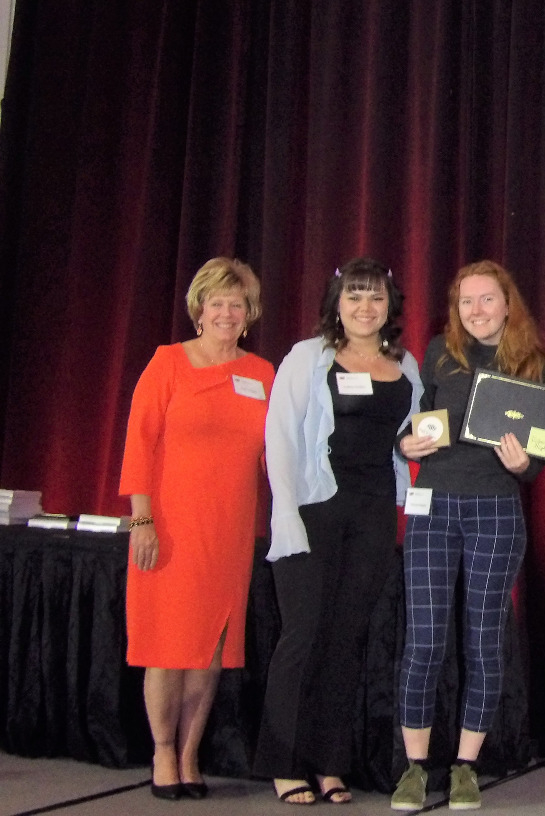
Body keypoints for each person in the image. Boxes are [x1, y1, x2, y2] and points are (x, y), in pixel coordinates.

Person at [255, 258, 422, 805]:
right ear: (337, 303)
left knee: (345, 640)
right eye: (354, 297)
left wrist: (411, 447)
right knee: (302, 636)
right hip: (313, 511)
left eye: (375, 298)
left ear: (389, 306)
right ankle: (284, 762)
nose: (365, 308)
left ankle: (329, 763)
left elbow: (410, 436)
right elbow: (279, 437)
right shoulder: (307, 358)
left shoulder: (407, 365)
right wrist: (285, 511)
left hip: (373, 514)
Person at [392, 260, 545, 813]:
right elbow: (414, 421)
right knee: (425, 639)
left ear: (509, 305)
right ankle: (414, 767)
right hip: (433, 506)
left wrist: (522, 463)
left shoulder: (535, 363)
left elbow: (538, 460)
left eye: (488, 300)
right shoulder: (440, 350)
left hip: (496, 512)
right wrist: (405, 445)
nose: (477, 311)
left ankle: (466, 766)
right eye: (467, 301)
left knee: (483, 640)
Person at [120, 257, 274, 800]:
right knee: (168, 647)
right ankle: (163, 752)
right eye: (217, 303)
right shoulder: (167, 364)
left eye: (237, 304)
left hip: (229, 531)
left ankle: (190, 756)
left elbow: (272, 455)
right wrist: (142, 519)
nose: (227, 312)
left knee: (211, 650)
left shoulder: (261, 374)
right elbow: (138, 443)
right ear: (199, 310)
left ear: (249, 313)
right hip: (170, 527)